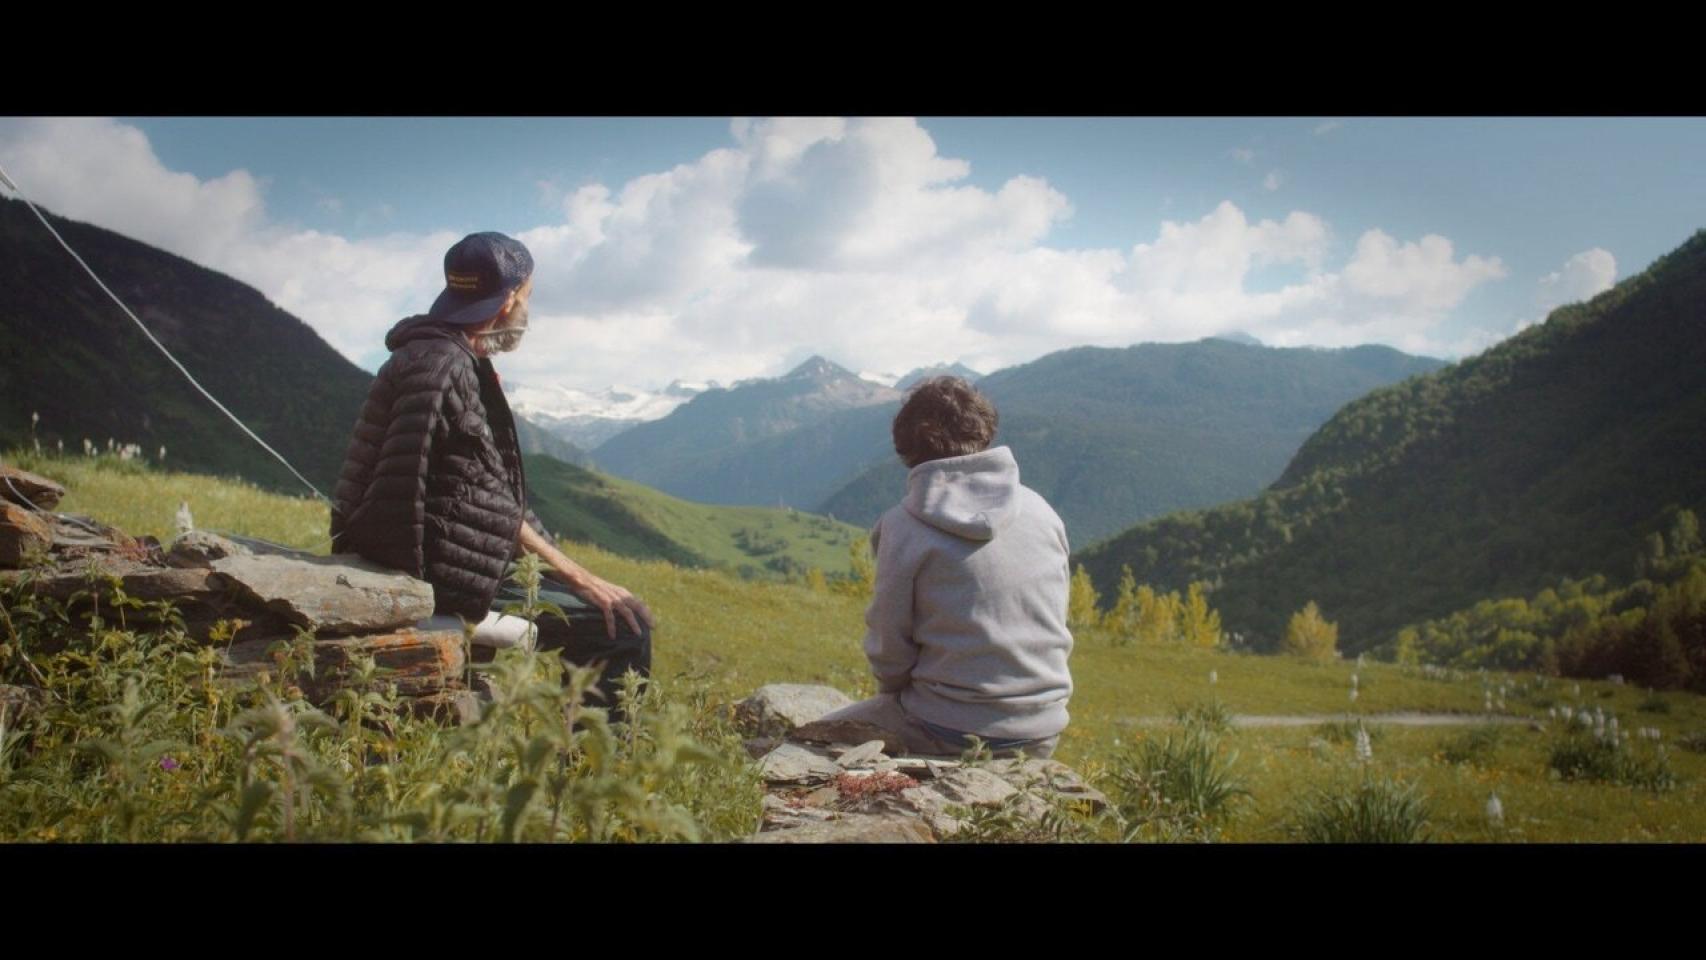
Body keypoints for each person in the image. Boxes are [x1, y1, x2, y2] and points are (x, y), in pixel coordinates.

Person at [330, 232, 654, 711]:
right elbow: (491, 501)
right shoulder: (448, 367)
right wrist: (580, 578)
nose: (527, 308)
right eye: (528, 296)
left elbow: (490, 489)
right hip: (432, 572)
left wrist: (565, 572)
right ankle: (592, 757)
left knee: (601, 607)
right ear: (509, 300)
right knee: (625, 627)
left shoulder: (427, 354)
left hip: (425, 555)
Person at [813, 376, 1074, 758]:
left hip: (946, 728)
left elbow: (889, 649)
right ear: (984, 431)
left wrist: (895, 695)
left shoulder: (903, 527)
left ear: (907, 448)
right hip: (1042, 731)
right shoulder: (1042, 512)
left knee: (809, 740)